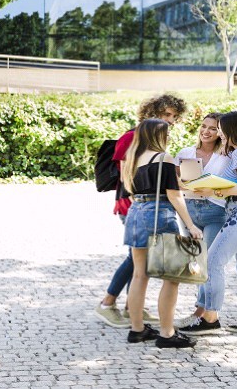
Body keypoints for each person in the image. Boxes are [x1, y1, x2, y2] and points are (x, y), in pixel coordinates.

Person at [94, 94, 187, 328]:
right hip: (134, 204)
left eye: (174, 117)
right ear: (150, 113)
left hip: (142, 204)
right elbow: (128, 179)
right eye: (166, 115)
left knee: (139, 263)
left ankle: (131, 309)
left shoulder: (153, 140)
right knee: (135, 261)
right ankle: (108, 303)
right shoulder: (130, 138)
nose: (171, 121)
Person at [179, 111, 237, 337]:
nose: (218, 132)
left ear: (231, 131)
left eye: (220, 128)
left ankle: (210, 319)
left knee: (212, 262)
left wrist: (215, 190)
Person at [121, 118, 202, 347]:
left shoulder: (133, 159)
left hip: (135, 213)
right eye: (167, 134)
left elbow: (132, 191)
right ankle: (167, 334)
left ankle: (136, 330)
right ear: (159, 136)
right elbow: (174, 196)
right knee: (171, 277)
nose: (169, 138)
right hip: (158, 215)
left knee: (139, 275)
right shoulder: (163, 157)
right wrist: (192, 226)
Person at [173, 113, 229, 328]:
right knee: (197, 261)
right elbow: (175, 180)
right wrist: (183, 183)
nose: (206, 131)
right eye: (204, 126)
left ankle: (203, 311)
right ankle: (202, 310)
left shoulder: (226, 155)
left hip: (215, 211)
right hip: (190, 211)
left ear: (221, 132)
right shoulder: (186, 153)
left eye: (212, 128)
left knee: (209, 262)